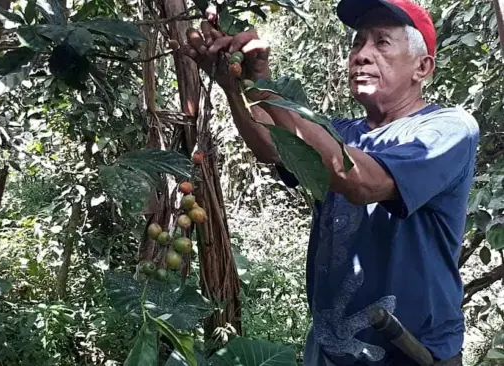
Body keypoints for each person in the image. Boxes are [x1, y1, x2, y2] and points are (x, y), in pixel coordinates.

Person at [182, 0, 479, 364]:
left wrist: (264, 85)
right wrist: (236, 85)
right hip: (331, 350)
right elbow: (272, 146)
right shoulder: (339, 131)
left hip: (410, 355)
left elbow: (358, 180)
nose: (362, 55)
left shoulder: (447, 130)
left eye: (382, 43)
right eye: (358, 43)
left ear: (422, 67)